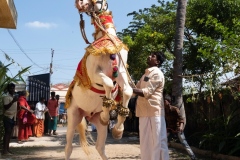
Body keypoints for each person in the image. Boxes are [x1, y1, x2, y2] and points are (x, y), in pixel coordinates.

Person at [132, 51, 169, 160]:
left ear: (157, 62)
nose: (149, 56)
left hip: (155, 112)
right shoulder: (145, 74)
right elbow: (135, 90)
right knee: (145, 143)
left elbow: (146, 92)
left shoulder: (157, 73)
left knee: (158, 142)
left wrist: (129, 89)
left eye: (152, 56)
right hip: (143, 112)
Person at [164, 94, 196, 160]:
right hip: (170, 129)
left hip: (177, 128)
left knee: (184, 143)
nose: (163, 103)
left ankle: (193, 156)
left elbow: (181, 119)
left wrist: (181, 127)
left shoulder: (175, 109)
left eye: (165, 101)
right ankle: (163, 156)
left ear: (169, 102)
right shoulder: (164, 111)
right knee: (164, 141)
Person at [2, 83, 18, 155]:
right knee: (7, 133)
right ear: (8, 89)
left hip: (13, 117)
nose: (12, 90)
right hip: (7, 117)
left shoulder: (14, 97)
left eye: (13, 88)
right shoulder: (6, 97)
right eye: (11, 88)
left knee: (10, 134)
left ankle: (7, 149)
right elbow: (6, 107)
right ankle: (4, 150)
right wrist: (13, 101)